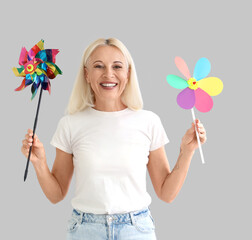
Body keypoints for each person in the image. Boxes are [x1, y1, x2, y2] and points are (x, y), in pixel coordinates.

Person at [21, 38, 207, 240]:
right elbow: (56, 195)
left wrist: (187, 151)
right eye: (98, 66)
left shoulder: (149, 121)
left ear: (127, 73)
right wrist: (39, 163)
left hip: (136, 230)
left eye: (117, 66)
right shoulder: (70, 124)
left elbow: (166, 193)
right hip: (85, 230)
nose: (108, 73)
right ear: (87, 74)